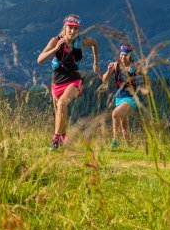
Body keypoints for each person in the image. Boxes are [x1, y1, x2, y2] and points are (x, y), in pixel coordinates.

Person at [37, 14, 101, 149]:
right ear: (65, 27)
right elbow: (40, 59)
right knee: (60, 111)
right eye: (70, 28)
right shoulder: (55, 41)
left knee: (62, 103)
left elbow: (95, 43)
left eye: (75, 29)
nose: (72, 31)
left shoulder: (81, 41)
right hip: (57, 82)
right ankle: (63, 137)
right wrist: (55, 49)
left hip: (74, 80)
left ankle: (55, 141)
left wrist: (96, 63)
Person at [102, 44, 147, 147]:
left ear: (129, 55)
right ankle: (129, 145)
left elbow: (145, 76)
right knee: (124, 124)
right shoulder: (116, 65)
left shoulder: (135, 66)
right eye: (121, 54)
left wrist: (145, 89)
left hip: (131, 98)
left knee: (115, 114)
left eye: (125, 55)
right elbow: (104, 79)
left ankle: (114, 141)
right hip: (119, 98)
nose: (122, 57)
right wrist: (109, 71)